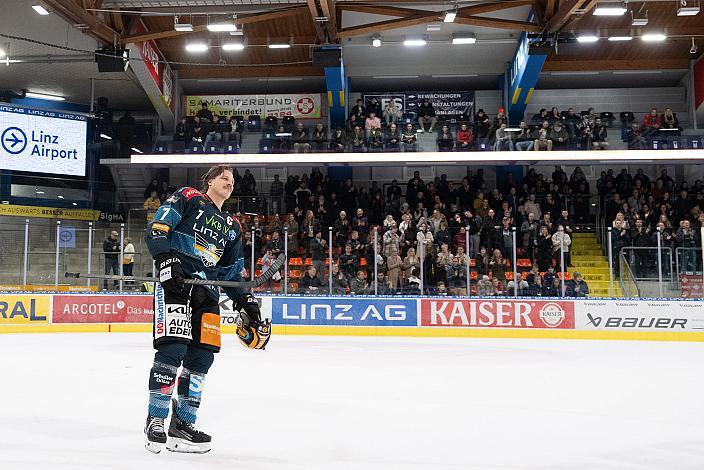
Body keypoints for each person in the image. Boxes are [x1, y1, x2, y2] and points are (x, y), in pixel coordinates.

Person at [143, 165, 266, 454]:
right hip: (176, 283)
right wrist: (165, 260)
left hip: (207, 292)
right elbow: (157, 230)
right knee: (172, 350)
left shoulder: (233, 226)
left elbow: (231, 273)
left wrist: (246, 301)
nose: (229, 182)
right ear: (209, 181)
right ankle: (156, 419)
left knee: (201, 359)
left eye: (232, 180)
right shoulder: (188, 197)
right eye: (223, 177)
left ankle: (183, 425)